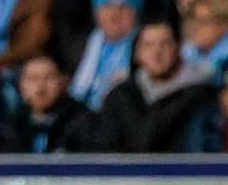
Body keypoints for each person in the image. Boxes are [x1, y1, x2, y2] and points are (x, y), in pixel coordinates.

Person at [71, 19, 210, 153]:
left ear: (178, 49)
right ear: (137, 53)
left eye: (165, 44)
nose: (157, 53)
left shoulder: (201, 95)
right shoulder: (121, 96)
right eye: (148, 45)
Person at [69, 0, 141, 109]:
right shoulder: (78, 48)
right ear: (96, 12)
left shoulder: (144, 48)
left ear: (136, 12)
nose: (114, 16)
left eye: (123, 7)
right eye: (107, 6)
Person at [0, 53, 81, 153]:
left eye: (49, 78)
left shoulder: (83, 124)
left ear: (64, 82)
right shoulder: (10, 126)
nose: (40, 88)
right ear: (21, 85)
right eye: (33, 79)